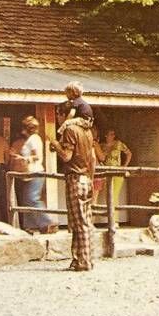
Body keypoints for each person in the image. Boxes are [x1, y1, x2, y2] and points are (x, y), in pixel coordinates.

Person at [49, 102, 96, 271]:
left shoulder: (70, 131)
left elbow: (67, 156)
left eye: (58, 114)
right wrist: (91, 177)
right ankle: (82, 258)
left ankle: (83, 261)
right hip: (86, 178)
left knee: (79, 223)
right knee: (85, 221)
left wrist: (55, 144)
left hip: (75, 178)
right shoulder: (87, 132)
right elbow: (92, 159)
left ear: (64, 115)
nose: (57, 118)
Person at [13, 116, 58, 234]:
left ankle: (48, 222)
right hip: (30, 173)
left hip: (35, 172)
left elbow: (36, 156)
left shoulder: (33, 139)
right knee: (27, 200)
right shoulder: (34, 139)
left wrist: (22, 158)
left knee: (32, 198)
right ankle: (30, 226)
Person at [101, 128, 132, 225]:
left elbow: (129, 153)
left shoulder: (118, 144)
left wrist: (124, 166)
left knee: (114, 195)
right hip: (106, 172)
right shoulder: (102, 146)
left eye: (113, 134)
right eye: (110, 134)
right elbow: (100, 158)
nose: (112, 136)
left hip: (117, 171)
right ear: (106, 135)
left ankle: (114, 221)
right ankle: (112, 219)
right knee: (108, 196)